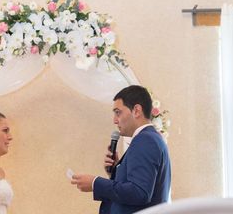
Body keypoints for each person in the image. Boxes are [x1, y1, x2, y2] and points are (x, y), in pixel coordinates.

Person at [71, 85, 171, 214]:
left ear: (136, 110)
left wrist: (95, 183)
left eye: (118, 112)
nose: (115, 120)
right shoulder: (150, 138)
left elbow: (139, 192)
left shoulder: (145, 140)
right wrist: (115, 171)